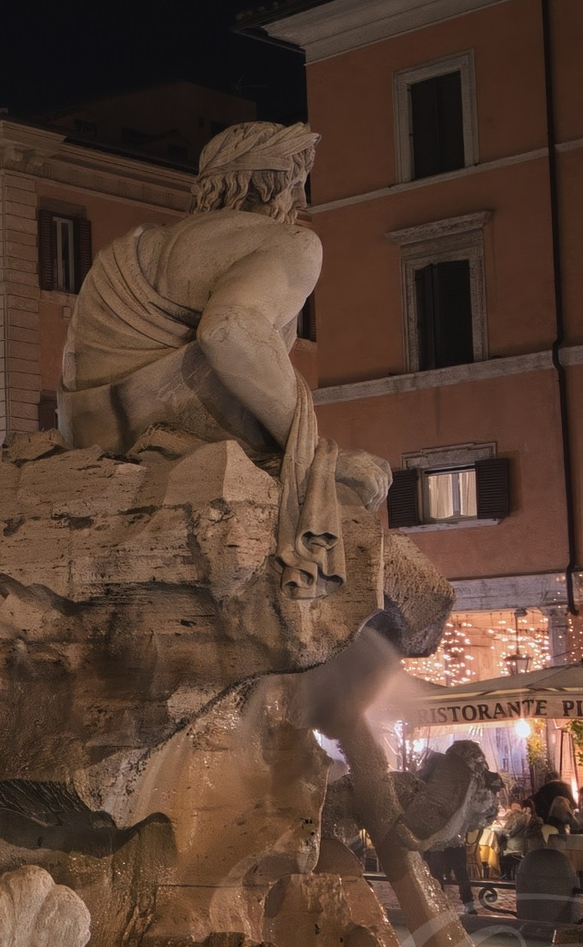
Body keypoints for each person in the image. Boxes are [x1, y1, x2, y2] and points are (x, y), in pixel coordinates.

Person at [60, 123, 389, 598]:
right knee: (360, 489)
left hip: (92, 438)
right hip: (178, 434)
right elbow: (229, 331)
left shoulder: (129, 249)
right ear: (284, 185)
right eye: (300, 183)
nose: (300, 199)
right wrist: (314, 453)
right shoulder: (289, 242)